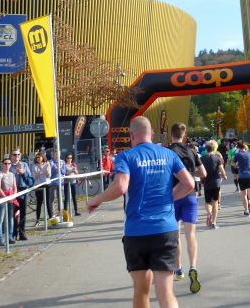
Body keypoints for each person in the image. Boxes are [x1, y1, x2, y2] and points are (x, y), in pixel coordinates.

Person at [86, 116, 194, 308]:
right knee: (166, 292)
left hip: (136, 231)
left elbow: (121, 187)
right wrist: (169, 198)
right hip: (166, 229)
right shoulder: (168, 154)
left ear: (131, 135)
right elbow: (189, 184)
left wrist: (97, 199)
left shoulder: (126, 156)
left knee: (142, 291)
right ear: (151, 133)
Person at [165, 122, 206, 293]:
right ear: (184, 135)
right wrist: (190, 173)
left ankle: (179, 268)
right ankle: (193, 267)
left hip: (173, 196)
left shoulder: (167, 152)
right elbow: (203, 173)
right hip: (190, 195)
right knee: (191, 235)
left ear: (171, 135)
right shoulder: (192, 150)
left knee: (176, 236)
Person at [200, 140, 226, 229]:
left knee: (208, 202)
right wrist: (224, 176)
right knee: (215, 201)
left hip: (206, 181)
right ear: (214, 148)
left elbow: (199, 170)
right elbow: (222, 170)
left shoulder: (202, 158)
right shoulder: (216, 158)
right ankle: (214, 222)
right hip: (216, 181)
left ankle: (209, 213)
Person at [10, 149, 32, 240]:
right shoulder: (9, 165)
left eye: (18, 154)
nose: (17, 156)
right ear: (11, 156)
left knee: (23, 213)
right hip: (12, 193)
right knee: (12, 214)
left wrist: (23, 173)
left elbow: (30, 179)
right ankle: (14, 233)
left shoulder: (24, 165)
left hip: (23, 192)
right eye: (14, 155)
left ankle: (22, 233)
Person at [0, 157, 17, 246]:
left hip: (11, 197)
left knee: (11, 218)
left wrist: (13, 196)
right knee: (0, 219)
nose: (7, 165)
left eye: (9, 163)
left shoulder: (12, 175)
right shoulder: (0, 175)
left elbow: (15, 187)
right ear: (2, 165)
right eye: (5, 163)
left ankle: (10, 236)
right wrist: (6, 198)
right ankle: (0, 238)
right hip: (2, 197)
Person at [233, 140, 250, 216]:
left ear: (238, 147)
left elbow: (234, 165)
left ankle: (246, 210)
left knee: (244, 194)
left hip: (242, 176)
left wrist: (238, 164)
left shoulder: (237, 155)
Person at [31, 153, 51, 225]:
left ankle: (50, 217)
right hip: (38, 185)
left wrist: (46, 169)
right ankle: (37, 220)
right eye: (37, 157)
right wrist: (41, 170)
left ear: (43, 157)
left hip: (46, 184)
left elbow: (49, 175)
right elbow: (34, 177)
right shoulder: (34, 166)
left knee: (48, 202)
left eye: (39, 157)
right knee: (39, 203)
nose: (38, 159)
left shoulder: (46, 164)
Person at [48, 150, 66, 218]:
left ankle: (60, 212)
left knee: (60, 197)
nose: (57, 155)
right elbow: (50, 173)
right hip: (53, 182)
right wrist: (54, 169)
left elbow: (64, 172)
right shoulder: (50, 162)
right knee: (52, 198)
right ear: (53, 154)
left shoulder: (62, 161)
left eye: (58, 154)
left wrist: (60, 168)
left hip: (60, 182)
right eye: (56, 154)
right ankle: (52, 213)